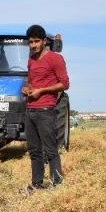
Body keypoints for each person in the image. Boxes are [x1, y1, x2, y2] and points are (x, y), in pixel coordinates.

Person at [21, 24, 70, 192]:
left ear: (44, 41)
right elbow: (31, 82)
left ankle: (57, 185)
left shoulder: (55, 58)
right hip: (30, 109)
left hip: (46, 110)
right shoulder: (31, 60)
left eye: (36, 41)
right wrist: (26, 89)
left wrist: (41, 91)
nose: (33, 45)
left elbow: (64, 84)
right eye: (30, 42)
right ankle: (37, 184)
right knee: (34, 151)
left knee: (50, 150)